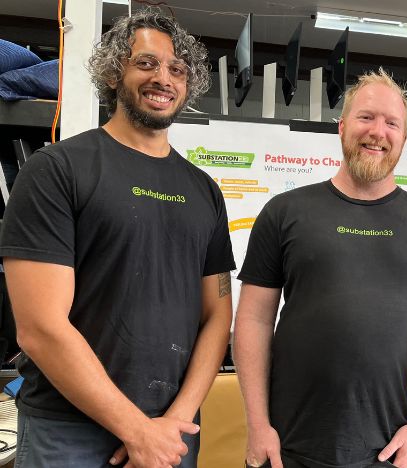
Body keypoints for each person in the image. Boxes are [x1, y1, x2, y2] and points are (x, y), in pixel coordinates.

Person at [0, 9, 234, 468]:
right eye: (146, 63)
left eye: (177, 69)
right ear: (113, 71)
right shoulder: (57, 170)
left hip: (173, 432)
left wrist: (173, 423)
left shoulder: (204, 189)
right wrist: (136, 430)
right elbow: (40, 327)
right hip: (68, 433)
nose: (163, 78)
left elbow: (217, 313)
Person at [233, 68, 407, 468]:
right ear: (341, 127)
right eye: (366, 117)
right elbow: (252, 319)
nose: (378, 132)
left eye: (392, 123)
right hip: (287, 446)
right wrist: (257, 424)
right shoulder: (285, 213)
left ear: (405, 139)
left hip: (387, 449)